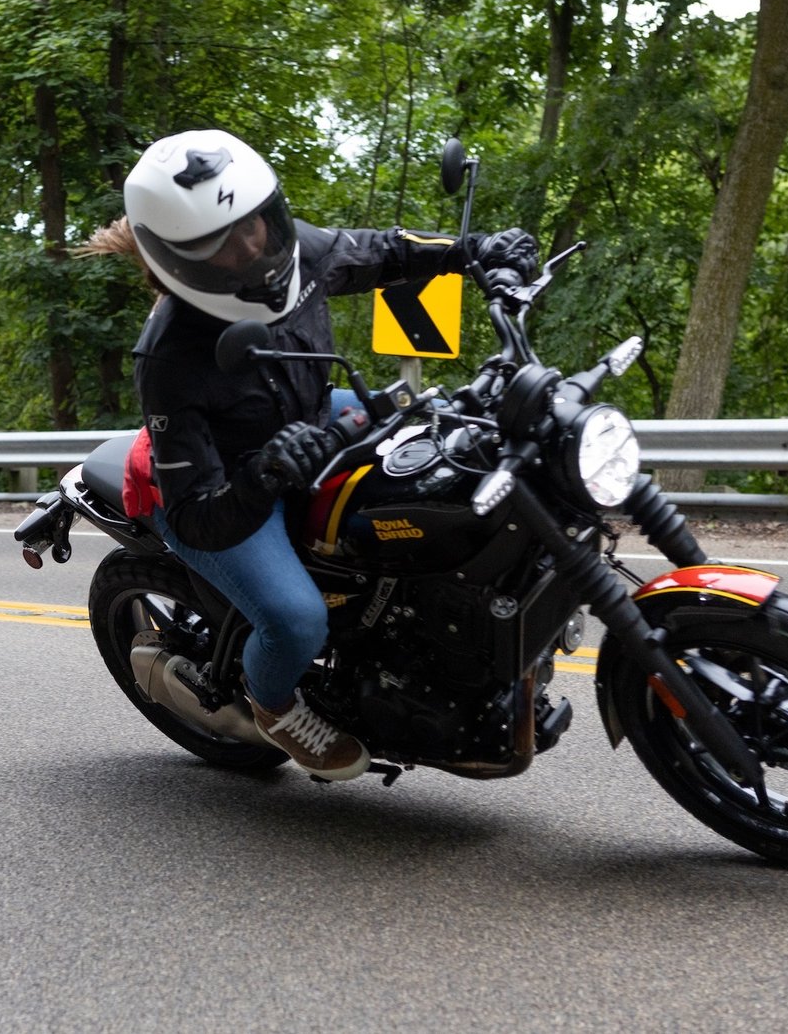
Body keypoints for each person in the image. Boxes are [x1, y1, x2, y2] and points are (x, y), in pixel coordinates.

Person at [83, 128, 539, 781]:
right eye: (221, 242)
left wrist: (477, 251)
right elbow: (195, 515)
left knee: (435, 435)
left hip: (306, 420)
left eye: (255, 224)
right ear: (178, 257)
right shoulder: (171, 356)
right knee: (297, 619)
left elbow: (379, 251)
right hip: (221, 485)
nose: (250, 245)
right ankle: (274, 705)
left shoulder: (291, 251)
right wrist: (265, 474)